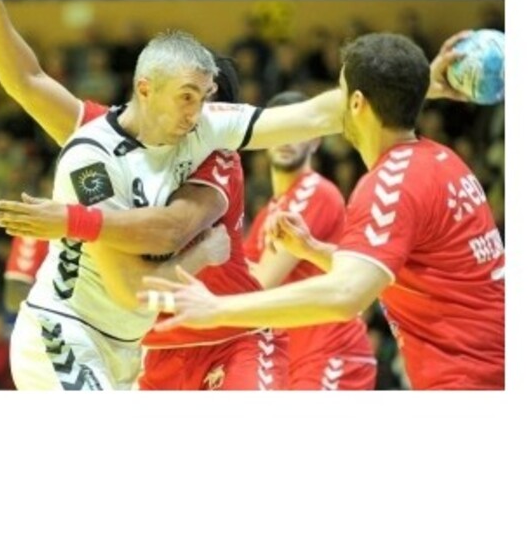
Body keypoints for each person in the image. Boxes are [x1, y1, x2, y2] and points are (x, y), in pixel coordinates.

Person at [0, 1, 344, 389]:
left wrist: (379, 84)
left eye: (204, 98)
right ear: (146, 90)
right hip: (79, 330)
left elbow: (311, 116)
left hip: (158, 339)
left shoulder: (209, 139)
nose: (195, 114)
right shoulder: (96, 150)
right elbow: (27, 80)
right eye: (186, 97)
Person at [143, 32, 505, 390]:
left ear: (357, 103)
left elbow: (345, 294)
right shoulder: (442, 161)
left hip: (464, 377)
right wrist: (313, 250)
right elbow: (396, 272)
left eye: (341, 91)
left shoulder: (390, 184)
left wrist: (216, 310)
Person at [243, 91, 377, 391]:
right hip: (294, 357)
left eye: (296, 131)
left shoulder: (315, 191)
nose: (286, 139)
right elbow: (240, 278)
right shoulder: (267, 213)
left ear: (316, 140)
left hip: (331, 353)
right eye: (278, 131)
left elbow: (260, 282)